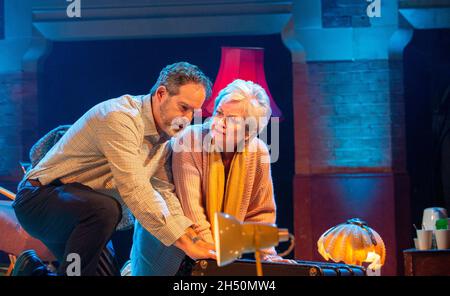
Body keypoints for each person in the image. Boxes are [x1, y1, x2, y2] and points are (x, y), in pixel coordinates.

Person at [12, 62, 215, 276]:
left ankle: (32, 271)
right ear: (161, 94)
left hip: (84, 215)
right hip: (39, 201)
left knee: (82, 271)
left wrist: (192, 236)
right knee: (105, 209)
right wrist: (184, 243)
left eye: (194, 111)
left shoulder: (164, 139)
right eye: (184, 107)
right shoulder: (119, 118)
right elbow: (135, 189)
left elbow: (164, 193)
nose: (188, 119)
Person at [131, 79, 292, 276]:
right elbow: (193, 212)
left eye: (232, 119)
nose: (220, 123)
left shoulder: (258, 153)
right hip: (171, 249)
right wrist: (217, 260)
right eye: (219, 113)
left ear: (249, 131)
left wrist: (268, 255)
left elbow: (260, 214)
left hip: (213, 257)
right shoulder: (189, 140)